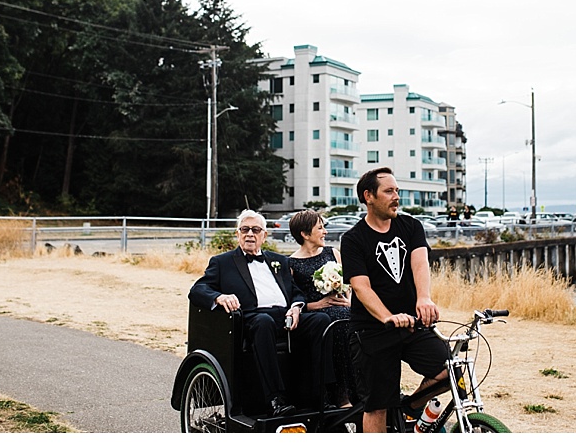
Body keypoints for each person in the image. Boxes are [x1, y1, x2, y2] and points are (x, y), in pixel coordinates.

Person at [188, 210, 334, 417]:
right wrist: (219, 297)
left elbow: (296, 293)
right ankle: (275, 399)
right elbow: (198, 290)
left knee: (321, 320)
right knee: (263, 322)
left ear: (264, 235)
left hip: (286, 316)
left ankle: (319, 394)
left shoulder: (279, 261)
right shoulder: (222, 262)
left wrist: (296, 307)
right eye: (245, 229)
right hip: (251, 319)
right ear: (237, 234)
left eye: (255, 230)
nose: (250, 234)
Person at [340, 167, 449, 433]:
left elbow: (420, 264)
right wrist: (387, 316)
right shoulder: (353, 239)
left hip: (412, 324)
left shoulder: (410, 226)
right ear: (368, 196)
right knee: (377, 405)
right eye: (389, 191)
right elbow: (360, 287)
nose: (396, 196)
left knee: (449, 369)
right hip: (372, 330)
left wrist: (424, 298)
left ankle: (409, 408)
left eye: (397, 190)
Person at [288, 210, 355, 408]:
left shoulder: (332, 253)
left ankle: (362, 385)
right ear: (305, 234)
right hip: (314, 315)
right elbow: (291, 300)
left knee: (351, 316)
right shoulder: (291, 263)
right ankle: (340, 393)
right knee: (338, 320)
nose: (325, 232)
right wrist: (316, 305)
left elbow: (350, 283)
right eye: (320, 228)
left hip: (342, 308)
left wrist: (349, 300)